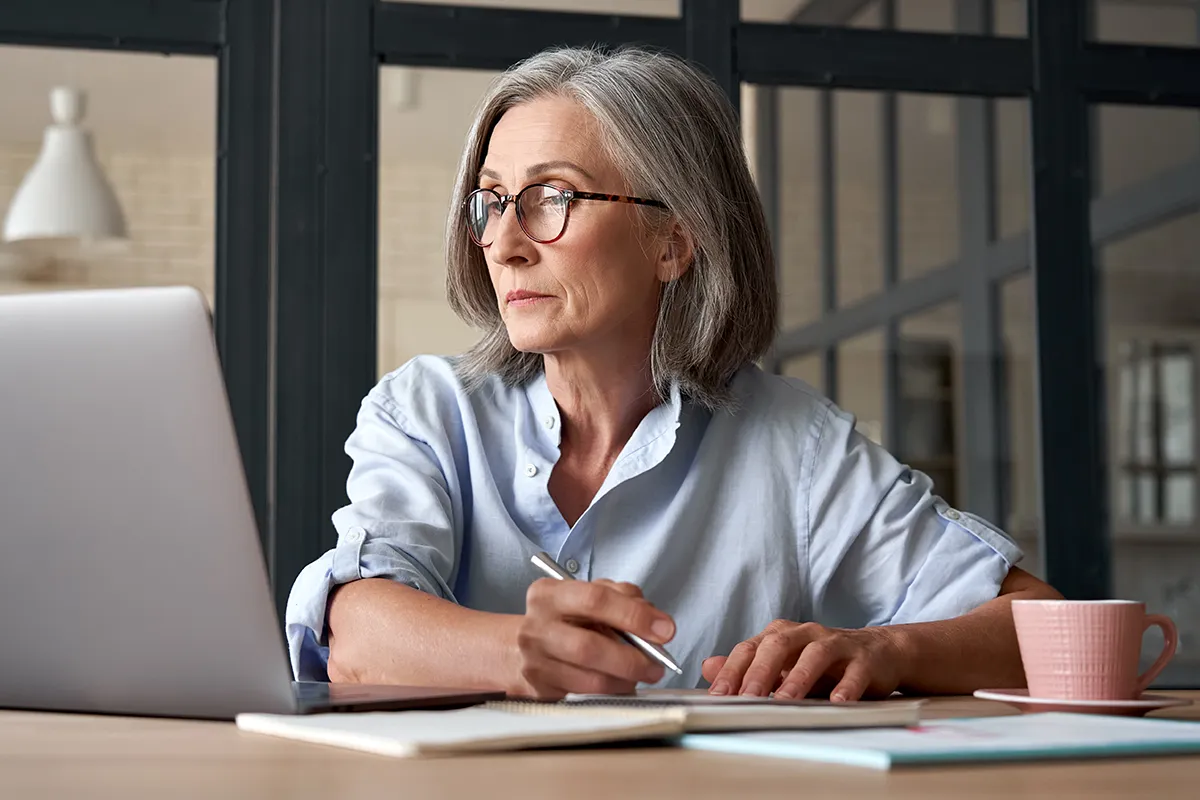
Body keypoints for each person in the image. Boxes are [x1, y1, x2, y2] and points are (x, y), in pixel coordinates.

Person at [285, 44, 1062, 702]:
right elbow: (353, 632)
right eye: (491, 202)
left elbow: (1048, 629)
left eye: (550, 197)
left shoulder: (796, 445)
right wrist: (520, 651)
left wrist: (887, 652)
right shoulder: (426, 410)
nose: (506, 242)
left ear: (673, 242)